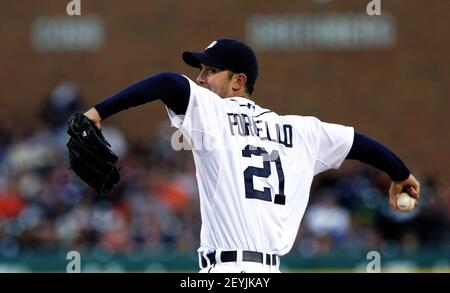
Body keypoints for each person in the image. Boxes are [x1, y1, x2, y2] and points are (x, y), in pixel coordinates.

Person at [83, 38, 420, 273]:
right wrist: (400, 174)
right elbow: (359, 144)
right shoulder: (301, 131)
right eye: (200, 71)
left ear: (237, 81)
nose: (200, 78)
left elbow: (167, 82)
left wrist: (97, 114)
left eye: (210, 71)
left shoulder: (215, 113)